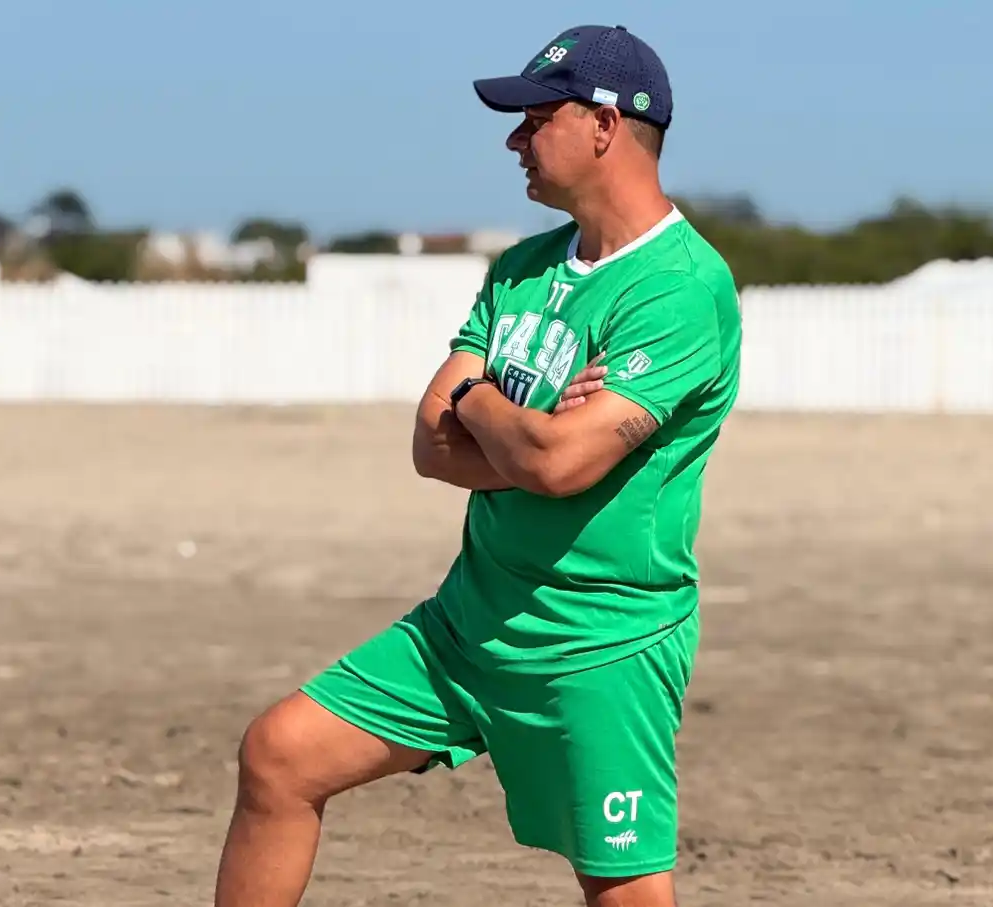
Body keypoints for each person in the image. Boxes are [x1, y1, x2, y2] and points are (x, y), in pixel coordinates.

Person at [213, 23, 742, 907]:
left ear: (605, 125)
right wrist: (508, 425)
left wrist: (484, 404)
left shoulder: (682, 287)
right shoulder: (523, 268)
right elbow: (431, 442)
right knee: (278, 755)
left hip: (598, 645)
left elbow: (559, 463)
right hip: (467, 622)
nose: (513, 139)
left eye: (534, 118)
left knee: (624, 890)